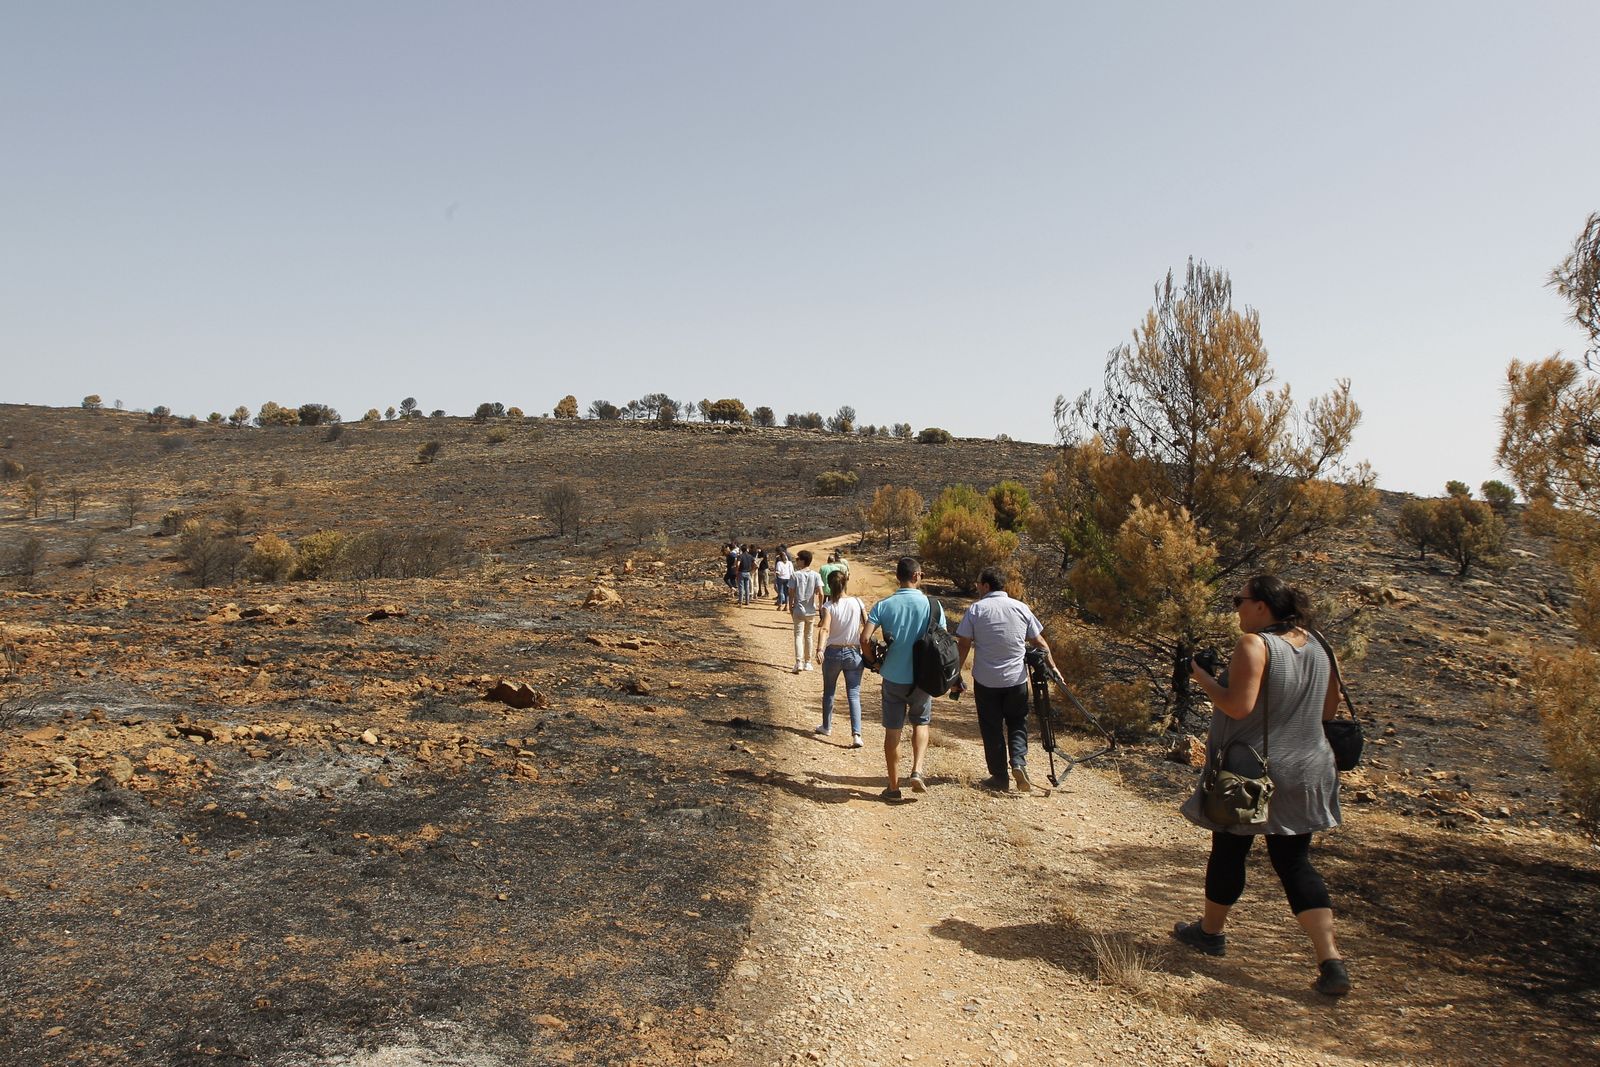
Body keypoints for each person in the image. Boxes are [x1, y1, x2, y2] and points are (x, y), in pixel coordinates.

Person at [1175, 574, 1350, 997]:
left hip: (1252, 772)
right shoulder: (1319, 644)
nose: (1237, 608)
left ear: (1261, 606)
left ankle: (1211, 933)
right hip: (1309, 768)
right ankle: (1330, 960)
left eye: (1241, 600)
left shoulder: (1255, 645)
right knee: (1294, 862)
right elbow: (1330, 708)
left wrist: (1202, 678)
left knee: (1230, 849)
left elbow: (1238, 705)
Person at [952, 567, 1061, 793]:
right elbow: (1040, 642)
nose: (976, 587)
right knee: (1017, 723)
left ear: (986, 586)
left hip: (986, 680)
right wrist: (1054, 668)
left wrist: (956, 673)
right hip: (1016, 680)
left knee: (991, 728)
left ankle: (1000, 777)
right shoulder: (1021, 608)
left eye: (978, 583)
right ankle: (1019, 763)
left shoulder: (976, 610)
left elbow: (963, 644)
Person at [861, 556, 946, 801]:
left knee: (893, 730)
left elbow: (865, 639)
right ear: (917, 575)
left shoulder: (883, 605)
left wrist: (875, 663)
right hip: (923, 678)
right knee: (921, 722)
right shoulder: (934, 605)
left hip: (893, 676)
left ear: (898, 576)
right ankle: (917, 770)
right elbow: (942, 640)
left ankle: (893, 786)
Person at [814, 569, 868, 748]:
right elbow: (867, 625)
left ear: (830, 586)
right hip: (854, 653)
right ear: (845, 583)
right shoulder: (858, 602)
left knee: (829, 691)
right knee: (853, 694)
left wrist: (820, 648)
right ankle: (856, 734)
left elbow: (825, 629)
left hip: (833, 653)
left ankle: (827, 726)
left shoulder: (828, 607)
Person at [788, 549, 822, 673]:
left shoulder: (795, 575)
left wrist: (790, 605)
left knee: (798, 635)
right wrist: (820, 606)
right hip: (811, 610)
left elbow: (791, 592)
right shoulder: (816, 575)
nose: (796, 561)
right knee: (808, 636)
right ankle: (808, 662)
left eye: (798, 559)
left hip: (798, 608)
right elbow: (821, 593)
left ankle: (799, 662)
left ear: (802, 561)